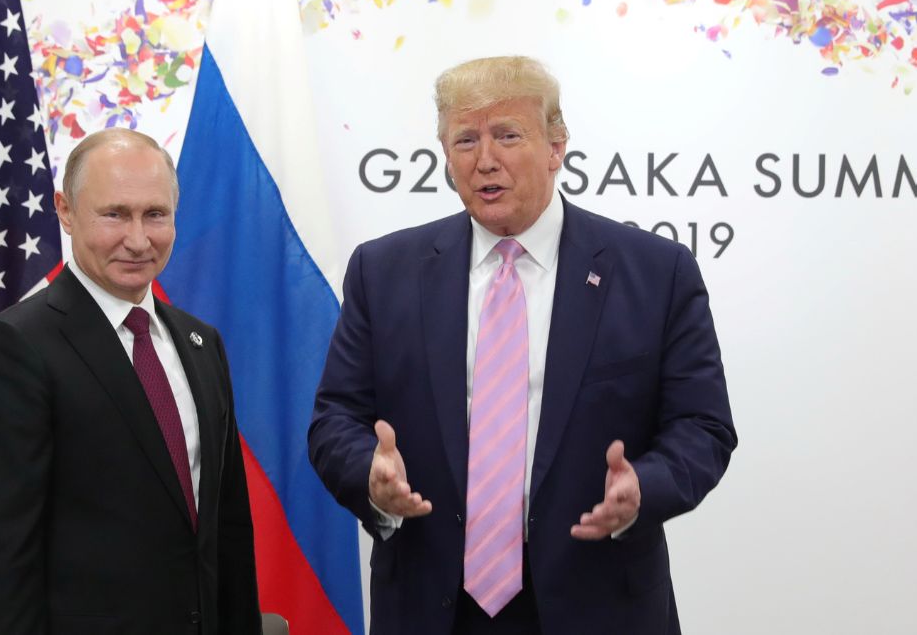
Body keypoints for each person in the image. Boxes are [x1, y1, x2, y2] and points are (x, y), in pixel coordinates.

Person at [309, 56, 736, 634]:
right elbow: (336, 419)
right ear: (446, 156)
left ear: (557, 145)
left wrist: (646, 485)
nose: (486, 159)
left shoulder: (656, 273)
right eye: (466, 139)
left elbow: (702, 426)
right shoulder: (383, 273)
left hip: (600, 602)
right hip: (433, 605)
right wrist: (371, 477)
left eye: (507, 134)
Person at [0, 128, 260, 634]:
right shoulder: (13, 348)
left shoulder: (202, 343)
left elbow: (228, 533)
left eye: (155, 215)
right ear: (66, 211)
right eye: (115, 214)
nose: (138, 239)